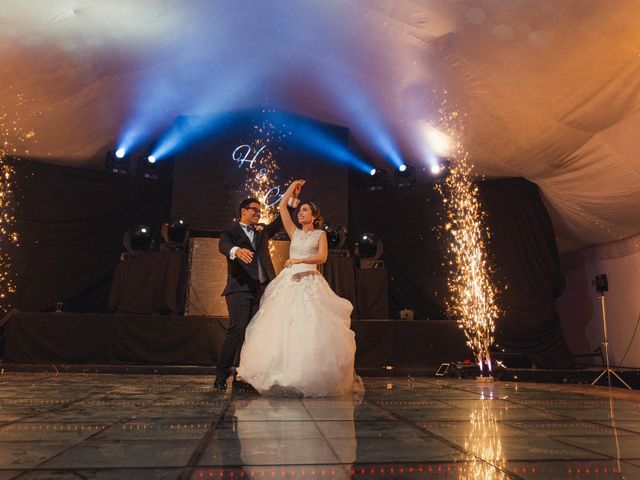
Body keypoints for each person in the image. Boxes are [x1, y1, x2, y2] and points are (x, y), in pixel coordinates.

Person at [236, 180, 363, 397]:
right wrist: (292, 188)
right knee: (283, 325)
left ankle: (307, 375)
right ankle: (282, 373)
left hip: (309, 280)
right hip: (289, 281)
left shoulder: (319, 234)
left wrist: (298, 261)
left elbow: (322, 257)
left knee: (309, 325)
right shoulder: (294, 232)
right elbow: (283, 206)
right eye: (300, 210)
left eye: (305, 210)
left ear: (314, 216)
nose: (301, 213)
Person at [215, 194, 299, 390]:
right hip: (239, 288)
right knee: (238, 329)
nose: (258, 213)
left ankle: (241, 377)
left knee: (253, 334)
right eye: (254, 209)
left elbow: (279, 221)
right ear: (243, 211)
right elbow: (223, 245)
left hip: (262, 289)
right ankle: (221, 375)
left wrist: (293, 202)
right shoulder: (231, 230)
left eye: (259, 210)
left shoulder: (262, 230)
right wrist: (236, 250)